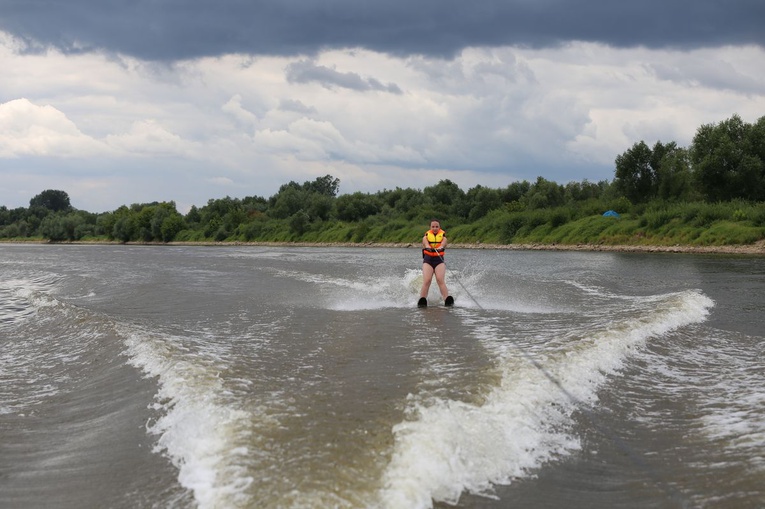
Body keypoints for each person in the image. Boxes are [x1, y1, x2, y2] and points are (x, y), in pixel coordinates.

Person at [418, 219, 454, 307]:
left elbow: (444, 243)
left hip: (439, 260)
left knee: (440, 280)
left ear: (439, 227)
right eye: (433, 227)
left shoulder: (443, 237)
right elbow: (425, 243)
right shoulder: (425, 237)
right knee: (427, 280)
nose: (435, 228)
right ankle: (422, 299)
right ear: (430, 228)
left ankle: (446, 299)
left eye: (436, 227)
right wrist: (427, 247)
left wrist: (441, 247)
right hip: (428, 260)